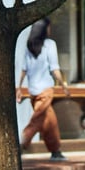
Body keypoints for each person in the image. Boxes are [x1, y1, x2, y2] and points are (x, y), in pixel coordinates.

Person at [17, 18, 70, 161]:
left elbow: (24, 69)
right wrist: (64, 85)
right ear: (44, 29)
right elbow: (54, 68)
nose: (50, 30)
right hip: (46, 90)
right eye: (48, 27)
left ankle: (55, 151)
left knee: (49, 122)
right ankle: (21, 142)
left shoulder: (29, 46)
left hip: (33, 90)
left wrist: (20, 87)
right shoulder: (50, 45)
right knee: (37, 120)